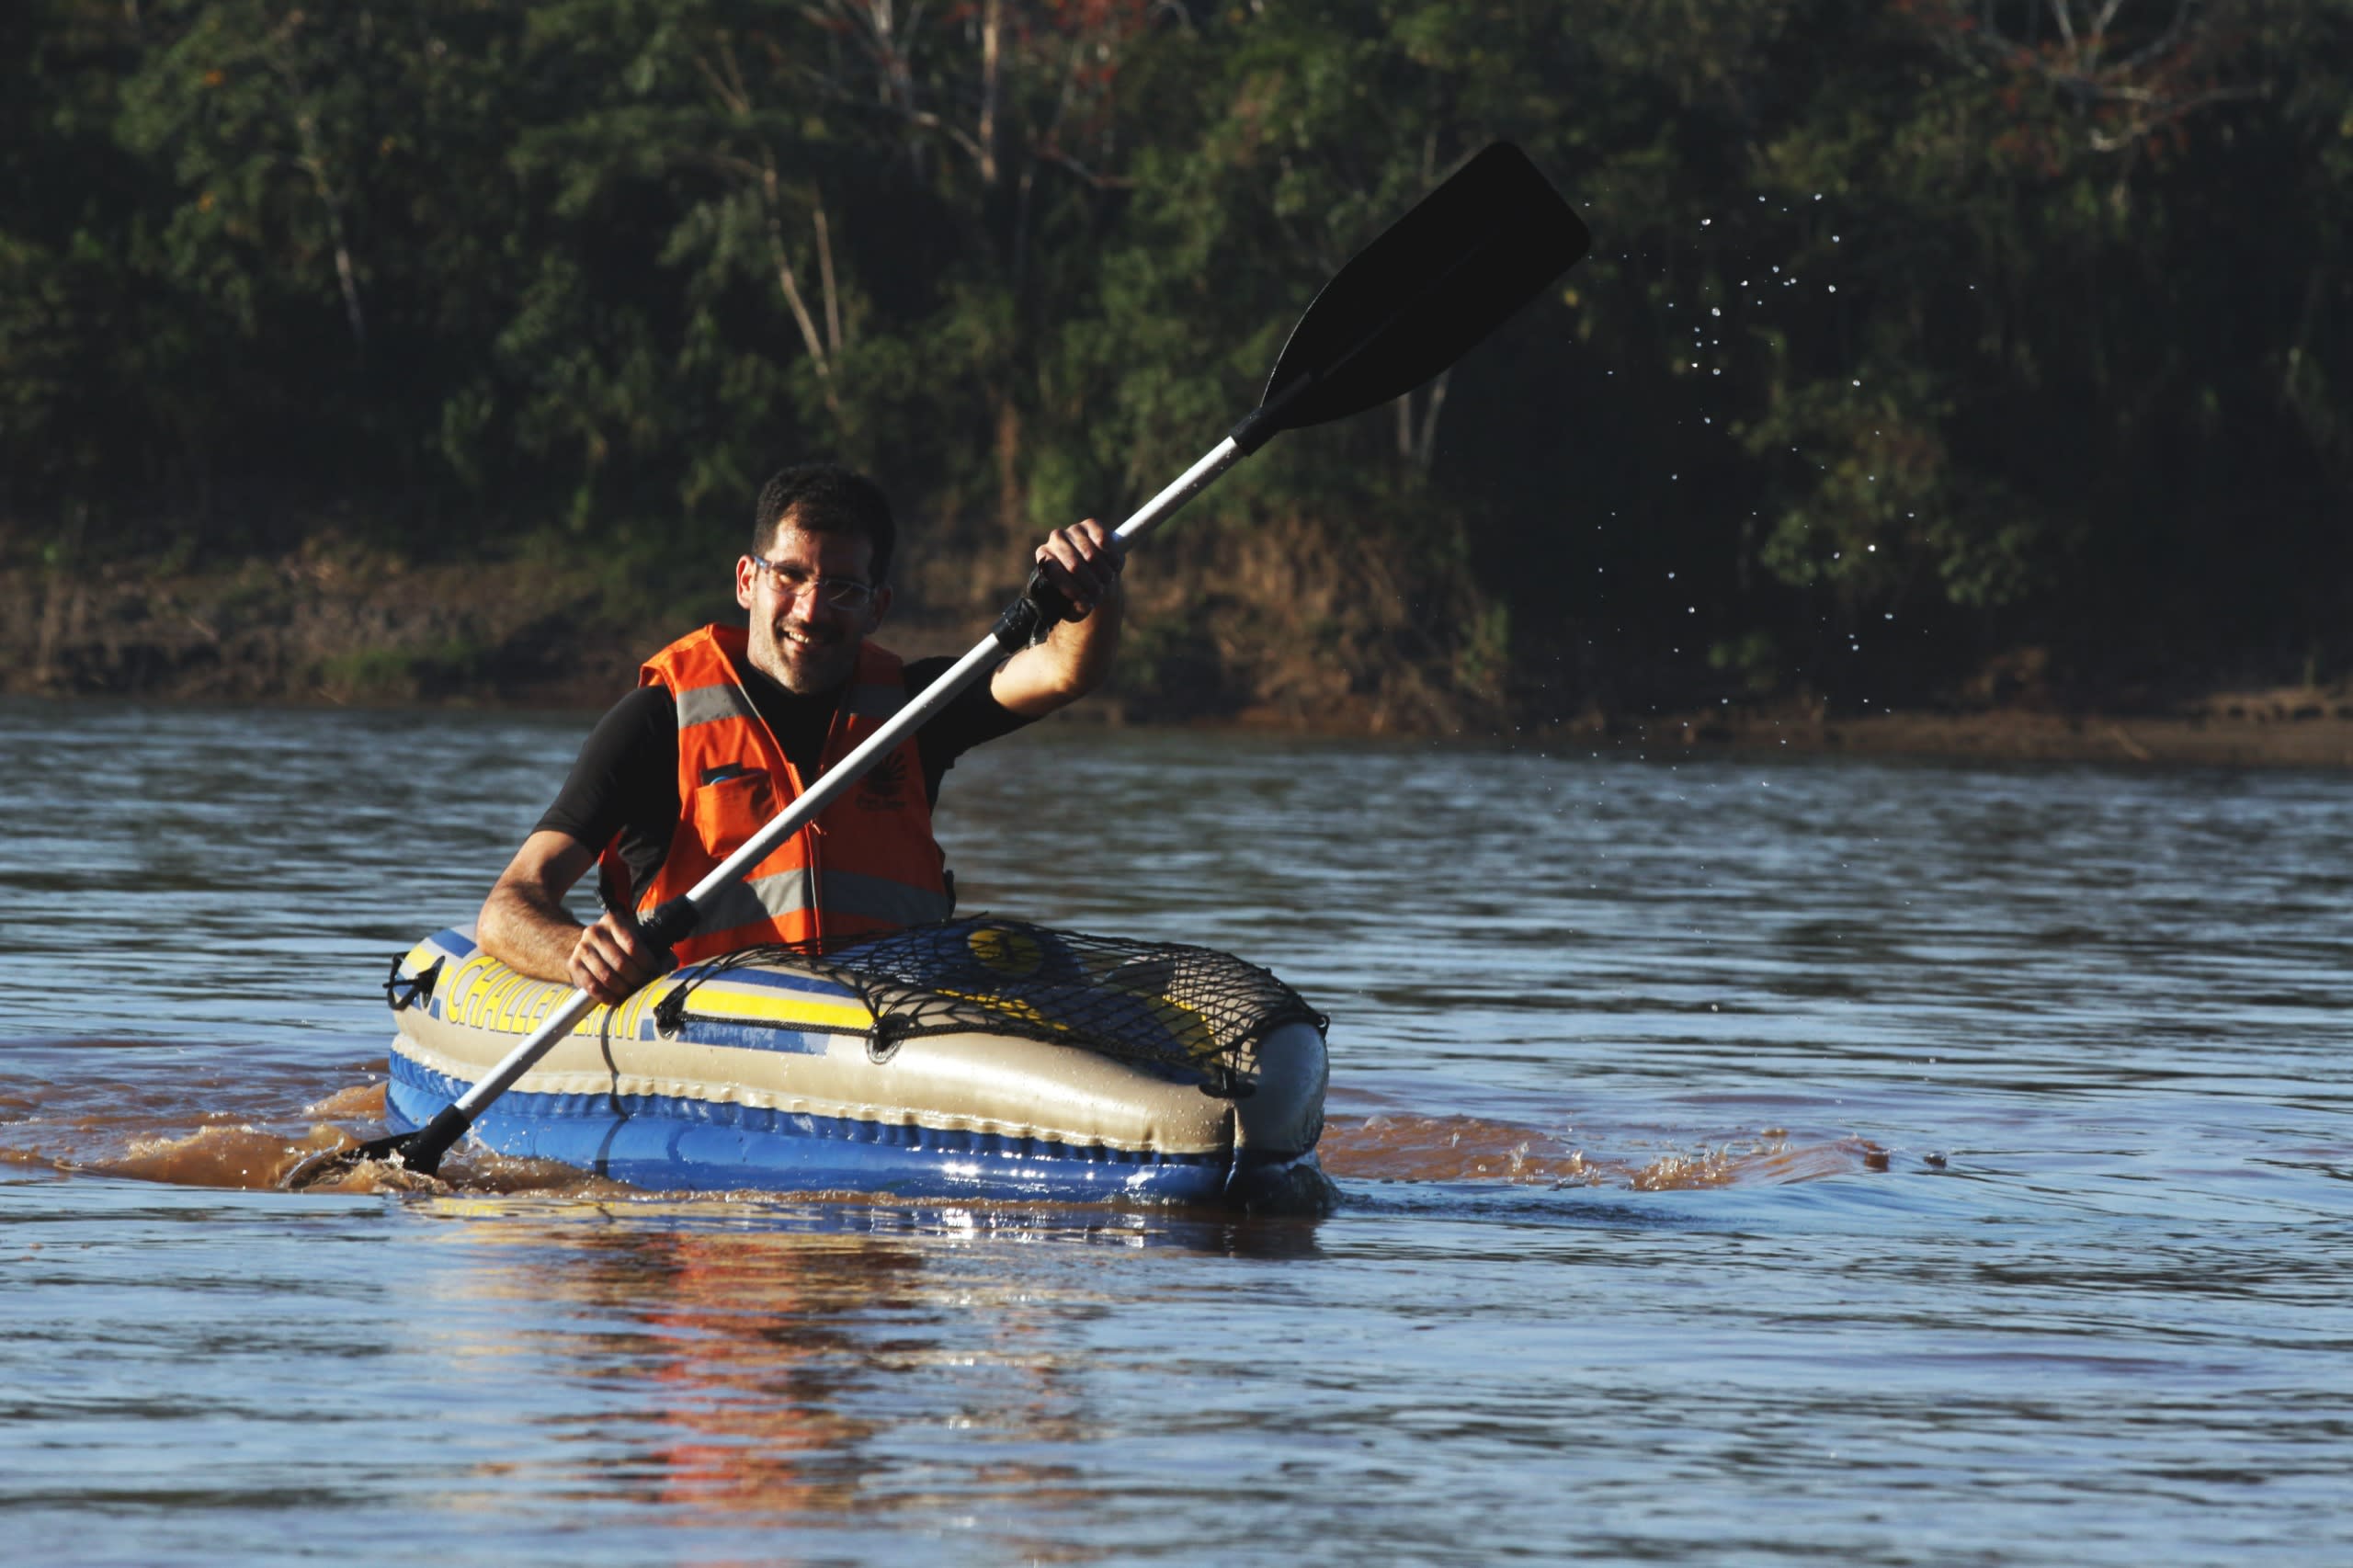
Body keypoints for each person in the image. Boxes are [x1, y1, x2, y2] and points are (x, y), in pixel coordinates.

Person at [477, 462, 1123, 1005]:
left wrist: (1085, 596)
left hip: (895, 1030)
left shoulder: (915, 706)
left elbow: (1063, 670)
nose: (811, 610)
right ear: (747, 581)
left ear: (877, 607)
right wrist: (575, 953)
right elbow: (509, 905)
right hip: (708, 1049)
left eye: (842, 588)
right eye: (789, 576)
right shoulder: (655, 721)